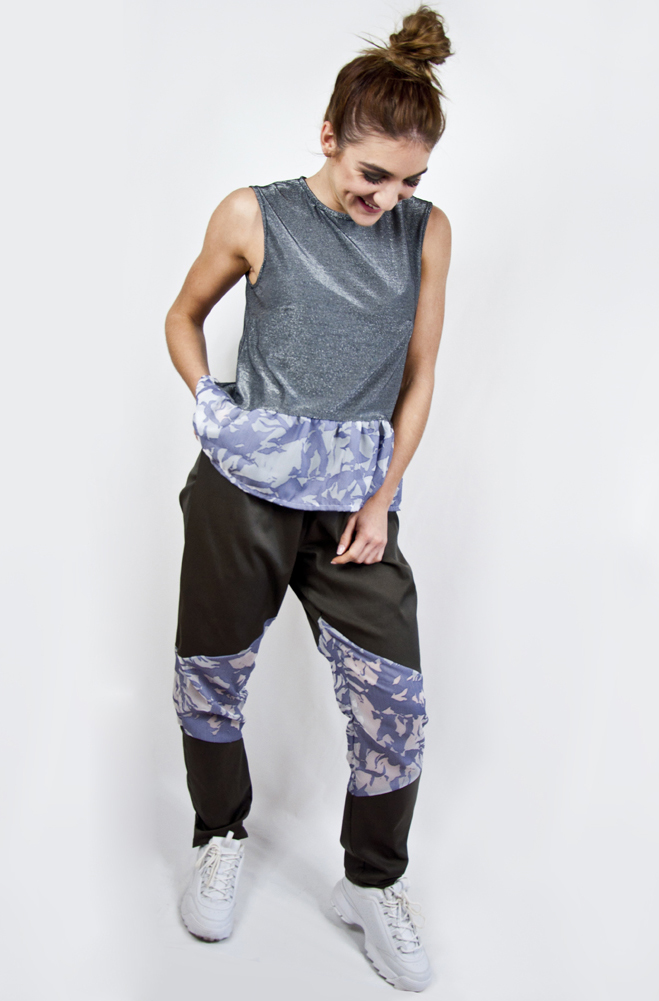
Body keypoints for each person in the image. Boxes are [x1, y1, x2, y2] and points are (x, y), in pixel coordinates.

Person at [164, 5, 453, 992]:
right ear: (327, 135)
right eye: (373, 173)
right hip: (241, 490)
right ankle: (219, 832)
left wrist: (381, 497)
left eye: (409, 180)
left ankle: (369, 881)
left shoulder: (425, 233)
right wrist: (212, 407)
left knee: (394, 698)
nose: (388, 196)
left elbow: (418, 374)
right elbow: (183, 316)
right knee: (211, 671)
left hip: (351, 506)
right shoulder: (254, 214)